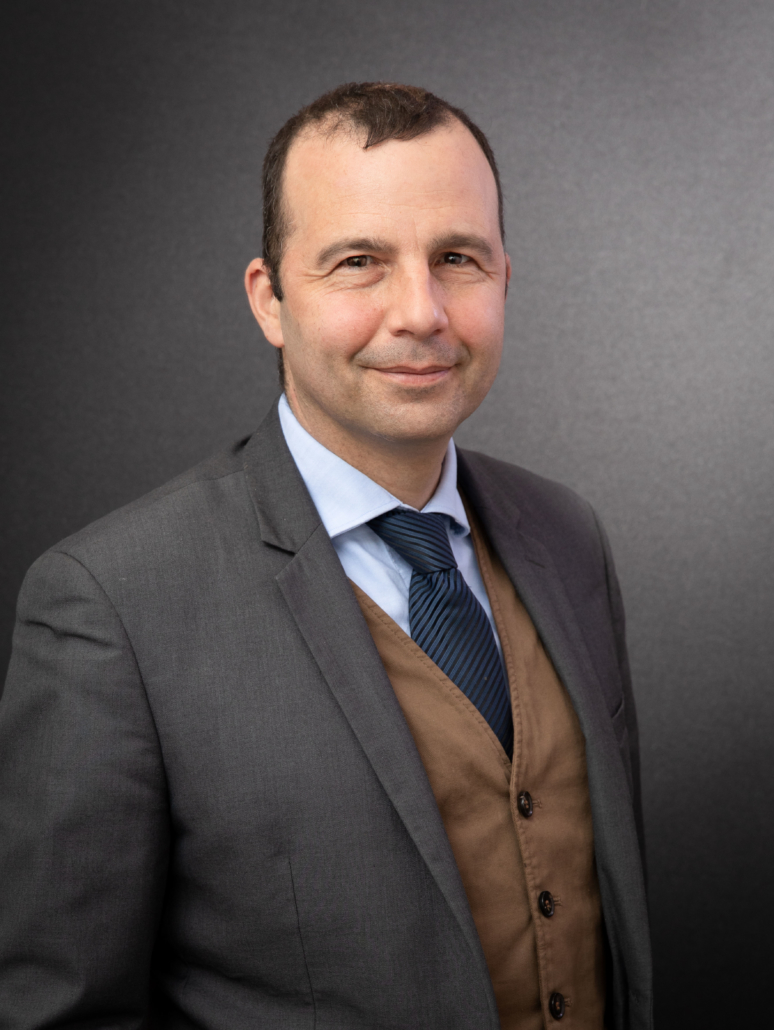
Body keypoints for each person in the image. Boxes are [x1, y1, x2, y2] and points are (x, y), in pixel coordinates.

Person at [0, 82, 651, 1029]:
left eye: (457, 258)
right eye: (358, 262)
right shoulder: (111, 606)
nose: (421, 311)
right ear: (270, 300)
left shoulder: (568, 537)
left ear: (504, 278)